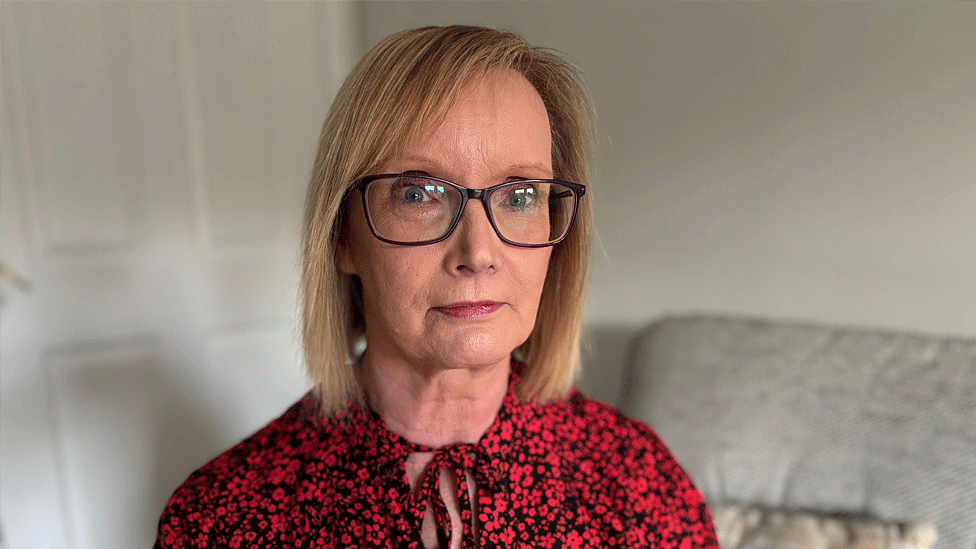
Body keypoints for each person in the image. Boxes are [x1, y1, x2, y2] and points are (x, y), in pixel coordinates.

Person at [155, 25, 718, 549]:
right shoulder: (218, 518)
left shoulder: (644, 485)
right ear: (342, 236)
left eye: (520, 195)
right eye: (418, 194)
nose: (477, 253)